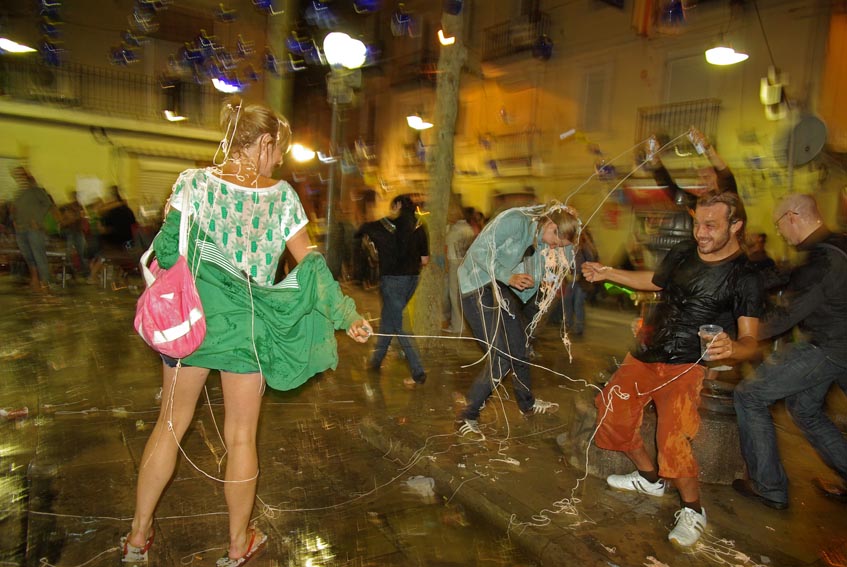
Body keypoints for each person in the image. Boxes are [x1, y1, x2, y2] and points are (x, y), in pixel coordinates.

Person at [123, 98, 372, 566]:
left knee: (169, 426)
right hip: (250, 332)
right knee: (242, 437)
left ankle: (137, 537)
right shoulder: (282, 198)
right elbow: (311, 265)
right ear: (262, 142)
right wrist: (345, 315)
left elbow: (166, 252)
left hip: (189, 328)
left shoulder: (192, 184)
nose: (278, 160)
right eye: (277, 150)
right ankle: (238, 544)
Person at [582, 191, 764, 547]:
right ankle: (649, 479)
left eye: (711, 225)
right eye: (699, 223)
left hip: (686, 364)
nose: (702, 233)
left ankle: (694, 510)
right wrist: (608, 272)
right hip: (647, 351)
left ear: (736, 225)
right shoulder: (683, 250)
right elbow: (655, 281)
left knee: (673, 438)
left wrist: (734, 347)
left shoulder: (745, 276)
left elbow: (750, 340)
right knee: (612, 412)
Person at [733, 194, 847, 509]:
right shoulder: (834, 245)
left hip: (826, 346)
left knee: (750, 395)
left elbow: (787, 315)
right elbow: (788, 277)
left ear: (793, 216)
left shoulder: (824, 260)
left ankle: (769, 488)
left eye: (779, 224)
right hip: (838, 345)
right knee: (805, 409)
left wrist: (743, 337)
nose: (780, 233)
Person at [456, 203, 580, 440]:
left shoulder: (544, 233)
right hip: (476, 286)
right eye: (555, 240)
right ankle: (467, 414)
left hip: (500, 287)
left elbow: (563, 252)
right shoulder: (515, 221)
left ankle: (527, 404)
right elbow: (480, 252)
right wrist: (508, 276)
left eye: (557, 245)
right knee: (502, 357)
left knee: (519, 345)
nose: (552, 246)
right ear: (551, 225)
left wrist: (572, 235)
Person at [357, 194, 429, 386]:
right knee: (389, 320)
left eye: (393, 206)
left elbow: (365, 231)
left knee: (400, 325)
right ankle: (376, 361)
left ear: (397, 205)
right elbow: (425, 260)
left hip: (392, 281)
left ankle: (418, 371)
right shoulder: (420, 227)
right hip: (412, 280)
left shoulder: (387, 226)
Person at [10, 166, 55, 291]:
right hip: (21, 228)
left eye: (21, 175)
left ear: (26, 176)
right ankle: (34, 279)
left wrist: (38, 220)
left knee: (38, 255)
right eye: (17, 176)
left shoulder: (36, 190)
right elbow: (15, 209)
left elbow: (48, 204)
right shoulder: (19, 193)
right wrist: (14, 220)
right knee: (28, 256)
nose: (19, 178)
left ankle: (45, 283)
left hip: (33, 229)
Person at [444, 202, 475, 333]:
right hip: (465, 263)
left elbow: (446, 245)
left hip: (454, 262)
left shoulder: (454, 229)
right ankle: (463, 323)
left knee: (453, 294)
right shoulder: (469, 229)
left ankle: (457, 326)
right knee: (462, 294)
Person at [562, 227, 598, 336]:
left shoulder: (585, 247)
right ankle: (568, 324)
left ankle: (578, 327)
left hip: (582, 280)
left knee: (578, 303)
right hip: (571, 278)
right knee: (567, 301)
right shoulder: (569, 245)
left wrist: (582, 273)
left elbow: (591, 260)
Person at [58, 190, 90, 278]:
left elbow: (78, 218)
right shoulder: (70, 207)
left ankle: (82, 272)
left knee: (81, 252)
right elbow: (65, 221)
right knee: (79, 252)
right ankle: (81, 272)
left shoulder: (77, 207)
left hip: (76, 232)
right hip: (72, 232)